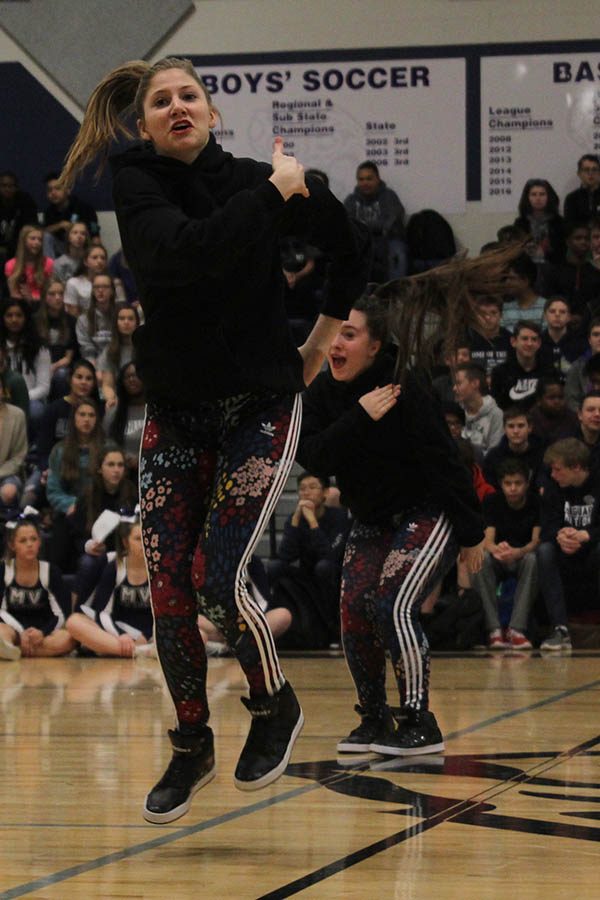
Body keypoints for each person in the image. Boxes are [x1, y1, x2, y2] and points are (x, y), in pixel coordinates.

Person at [59, 56, 367, 822]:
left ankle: (272, 704)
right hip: (177, 411)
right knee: (166, 588)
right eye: (161, 101)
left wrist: (318, 340)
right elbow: (182, 254)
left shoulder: (254, 183)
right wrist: (275, 193)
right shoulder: (139, 183)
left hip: (261, 404)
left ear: (212, 111)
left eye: (188, 95)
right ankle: (191, 741)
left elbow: (353, 254)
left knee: (216, 575)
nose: (176, 107)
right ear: (146, 123)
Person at [298, 292, 485, 757]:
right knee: (354, 612)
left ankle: (420, 721)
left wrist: (470, 533)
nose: (336, 344)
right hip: (372, 517)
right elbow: (313, 456)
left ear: (376, 345)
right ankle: (374, 718)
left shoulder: (406, 384)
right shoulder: (323, 392)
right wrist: (360, 416)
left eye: (349, 333)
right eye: (334, 332)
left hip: (429, 509)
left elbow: (445, 459)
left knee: (395, 604)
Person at [268, 471, 351, 645]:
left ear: (326, 493)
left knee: (324, 567)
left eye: (313, 487)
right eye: (302, 489)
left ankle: (332, 627)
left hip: (333, 575)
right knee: (275, 566)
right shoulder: (295, 518)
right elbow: (285, 556)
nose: (306, 493)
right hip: (306, 575)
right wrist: (297, 520)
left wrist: (313, 522)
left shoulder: (339, 517)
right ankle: (279, 619)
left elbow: (330, 555)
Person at [537, 439, 600, 650]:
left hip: (592, 549)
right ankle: (560, 629)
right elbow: (546, 527)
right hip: (564, 550)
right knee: (544, 551)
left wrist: (586, 535)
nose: (553, 475)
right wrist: (560, 534)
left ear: (576, 467)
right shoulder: (554, 488)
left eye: (558, 469)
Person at [66, 513, 156, 658]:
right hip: (117, 631)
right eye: (138, 539)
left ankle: (112, 649)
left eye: (148, 538)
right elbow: (103, 612)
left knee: (199, 635)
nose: (145, 544)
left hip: (150, 634)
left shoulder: (160, 570)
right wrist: (121, 635)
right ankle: (138, 652)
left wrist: (146, 635)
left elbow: (162, 614)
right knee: (73, 622)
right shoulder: (115, 567)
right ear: (126, 542)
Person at [473, 459, 540, 649]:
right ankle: (493, 630)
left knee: (533, 559)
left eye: (518, 483)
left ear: (526, 484)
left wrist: (518, 551)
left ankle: (516, 629)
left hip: (522, 555)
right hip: (499, 556)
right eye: (508, 484)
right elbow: (488, 540)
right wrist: (498, 550)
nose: (512, 489)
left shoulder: (535, 502)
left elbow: (536, 541)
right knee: (482, 558)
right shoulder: (493, 501)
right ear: (501, 484)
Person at [0, 512, 74, 661]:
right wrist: (20, 633)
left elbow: (62, 614)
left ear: (39, 542)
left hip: (43, 634)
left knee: (68, 638)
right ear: (12, 545)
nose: (29, 544)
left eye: (33, 539)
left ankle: (16, 652)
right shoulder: (3, 570)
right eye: (23, 540)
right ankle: (15, 647)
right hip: (12, 629)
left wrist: (42, 632)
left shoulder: (51, 571)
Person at [344, 160, 406, 281]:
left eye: (369, 178)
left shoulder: (389, 196)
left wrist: (363, 225)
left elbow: (391, 223)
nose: (365, 183)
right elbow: (346, 225)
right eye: (361, 179)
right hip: (362, 242)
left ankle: (395, 292)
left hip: (387, 241)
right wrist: (376, 226)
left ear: (377, 179)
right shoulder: (351, 200)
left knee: (398, 253)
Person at [0, 298, 51, 435]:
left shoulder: (40, 348)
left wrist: (20, 397)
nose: (14, 319)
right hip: (1, 397)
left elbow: (44, 388)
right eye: (9, 315)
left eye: (18, 315)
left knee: (36, 410)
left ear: (26, 318)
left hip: (30, 398)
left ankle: (32, 448)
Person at [491, 320, 554, 411]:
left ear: (539, 343)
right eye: (524, 339)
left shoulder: (549, 371)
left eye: (534, 339)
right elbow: (497, 408)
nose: (529, 343)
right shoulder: (500, 373)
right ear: (513, 341)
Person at [34, 278, 79, 401]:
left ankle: (59, 407)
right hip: (39, 366)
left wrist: (53, 367)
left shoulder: (71, 321)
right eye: (52, 294)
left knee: (61, 374)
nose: (58, 297)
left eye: (60, 293)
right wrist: (44, 369)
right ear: (44, 297)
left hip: (60, 367)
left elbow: (68, 357)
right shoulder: (35, 321)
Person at [483, 406, 545, 489]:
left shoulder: (542, 454)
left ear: (529, 428)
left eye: (521, 426)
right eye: (511, 426)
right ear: (504, 429)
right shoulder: (493, 457)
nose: (516, 431)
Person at [103, 361, 145, 477]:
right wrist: (122, 459)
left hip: (149, 471)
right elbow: (107, 443)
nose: (132, 379)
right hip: (119, 473)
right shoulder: (113, 412)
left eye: (136, 375)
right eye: (128, 377)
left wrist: (140, 460)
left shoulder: (153, 412)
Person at [42, 173, 99, 257]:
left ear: (68, 190)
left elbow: (95, 234)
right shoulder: (49, 212)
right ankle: (50, 268)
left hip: (83, 248)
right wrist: (60, 225)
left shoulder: (84, 208)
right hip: (61, 248)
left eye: (57, 188)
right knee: (45, 236)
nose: (53, 193)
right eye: (49, 190)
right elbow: (43, 232)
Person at [453, 363, 504, 455]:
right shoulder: (455, 412)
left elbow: (495, 454)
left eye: (459, 383)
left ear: (475, 383)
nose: (454, 388)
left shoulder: (496, 414)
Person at [513, 178, 566, 267]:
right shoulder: (520, 223)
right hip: (527, 268)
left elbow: (562, 251)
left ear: (549, 197)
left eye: (542, 194)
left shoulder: (559, 222)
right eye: (533, 194)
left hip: (554, 268)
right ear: (527, 198)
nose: (538, 198)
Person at [96, 304, 139, 406]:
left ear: (137, 323)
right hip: (120, 400)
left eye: (130, 319)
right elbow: (107, 385)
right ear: (116, 323)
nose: (126, 322)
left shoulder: (145, 349)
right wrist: (112, 400)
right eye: (122, 318)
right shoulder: (109, 352)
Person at [0, 172, 38, 285]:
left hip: (20, 244)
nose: (7, 189)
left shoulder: (25, 201)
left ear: (16, 187)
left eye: (10, 186)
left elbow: (32, 227)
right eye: (3, 186)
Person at [75, 273, 117, 368]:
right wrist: (95, 369)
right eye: (97, 287)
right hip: (94, 365)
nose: (100, 290)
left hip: (116, 363)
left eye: (105, 287)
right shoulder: (83, 319)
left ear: (112, 291)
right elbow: (87, 350)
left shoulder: (121, 315)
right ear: (92, 291)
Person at [4, 225, 53, 304]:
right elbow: (14, 294)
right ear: (23, 241)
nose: (37, 242)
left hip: (42, 306)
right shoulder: (11, 264)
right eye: (33, 238)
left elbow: (51, 294)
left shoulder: (48, 263)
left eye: (40, 240)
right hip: (21, 306)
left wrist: (32, 298)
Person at [540, 295, 585, 378]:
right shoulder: (537, 341)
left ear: (569, 317)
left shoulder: (580, 343)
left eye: (562, 312)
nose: (557, 314)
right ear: (545, 316)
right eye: (552, 311)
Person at [467, 296, 512, 377]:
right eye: (482, 313)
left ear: (501, 315)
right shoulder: (468, 337)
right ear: (476, 316)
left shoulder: (510, 338)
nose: (487, 317)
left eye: (493, 313)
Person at [502, 253, 547, 332]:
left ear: (525, 281)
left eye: (511, 278)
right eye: (506, 278)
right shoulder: (505, 308)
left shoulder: (546, 307)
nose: (507, 282)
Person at [529, 376, 578, 444]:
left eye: (560, 397)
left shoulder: (573, 418)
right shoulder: (530, 420)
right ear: (539, 401)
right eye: (551, 398)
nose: (557, 401)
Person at [564, 317, 600, 411]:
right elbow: (571, 401)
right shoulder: (577, 367)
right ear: (589, 340)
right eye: (596, 335)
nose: (599, 339)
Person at [563, 154, 600, 223]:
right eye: (586, 170)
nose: (590, 173)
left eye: (594, 169)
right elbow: (569, 226)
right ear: (579, 173)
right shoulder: (571, 198)